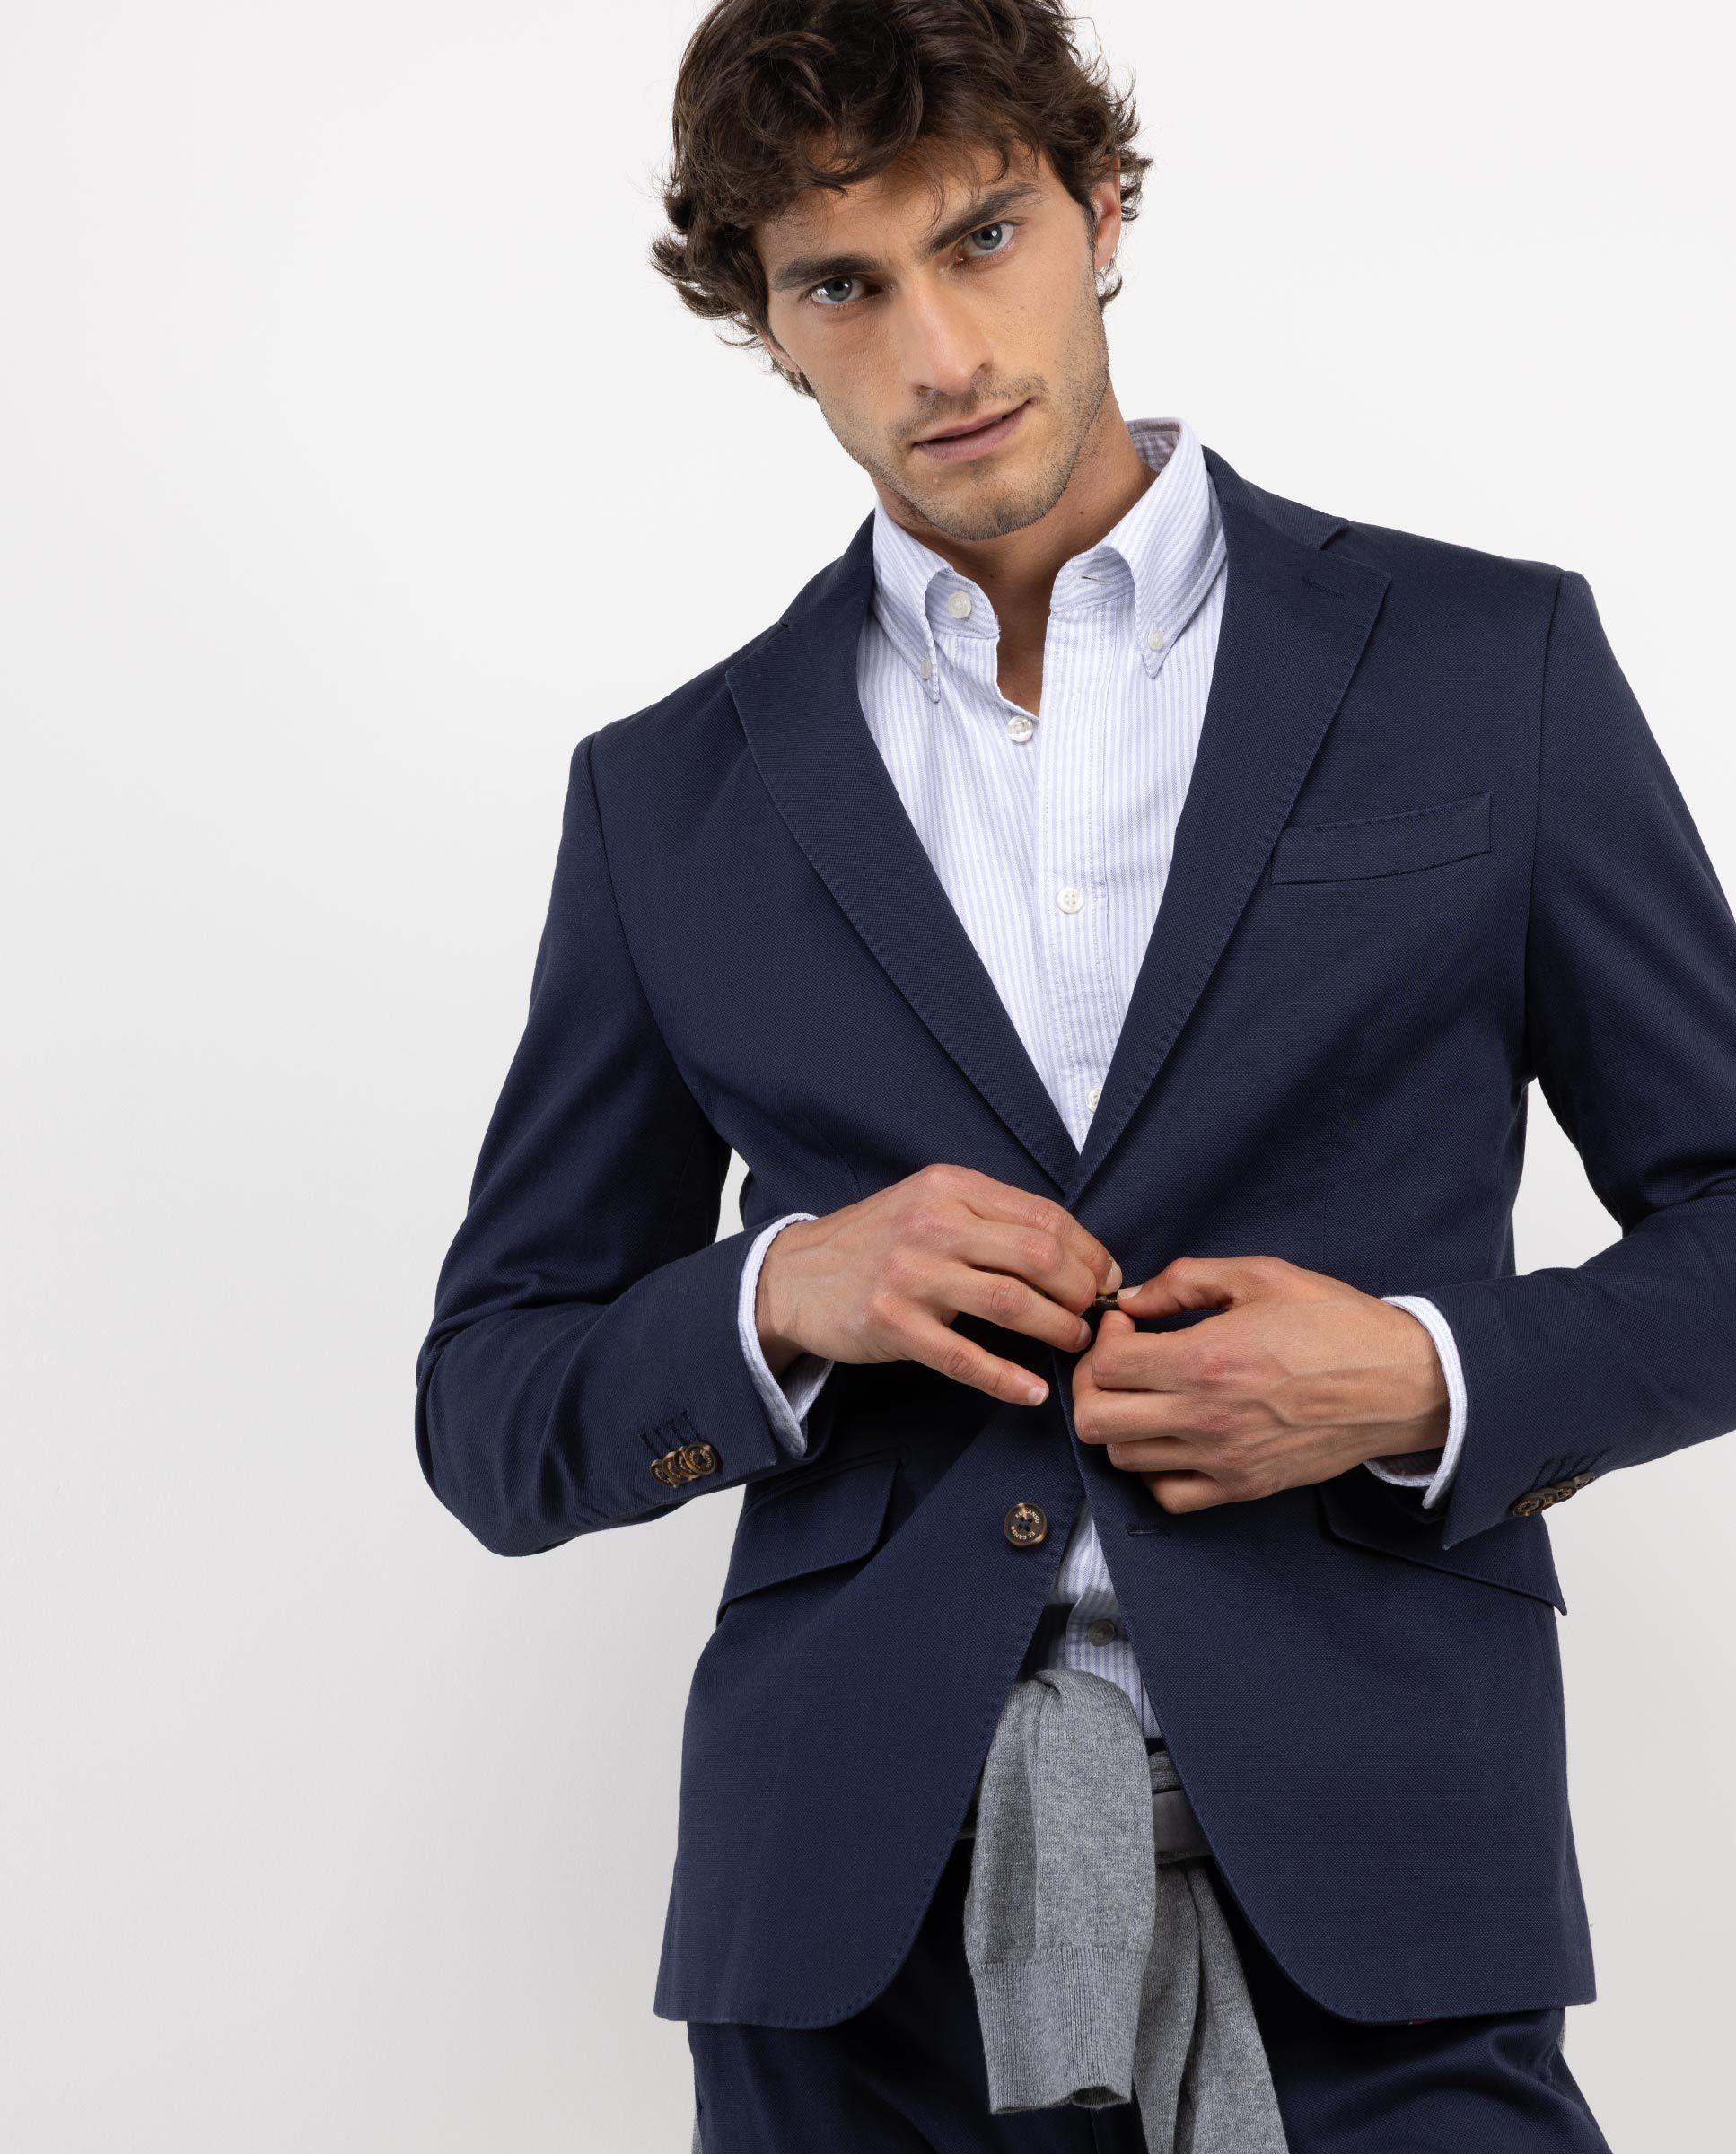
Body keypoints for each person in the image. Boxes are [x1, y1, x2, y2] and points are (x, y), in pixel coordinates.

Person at [414, 4, 1736, 2145]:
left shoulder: (1484, 667)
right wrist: (782, 1296)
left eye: (983, 237)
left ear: (1101, 210)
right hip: (851, 1947)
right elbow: (490, 1406)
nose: (938, 351)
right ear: (768, 322)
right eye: (842, 285)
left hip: (1388, 1894)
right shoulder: (671, 795)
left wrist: (1418, 1376)